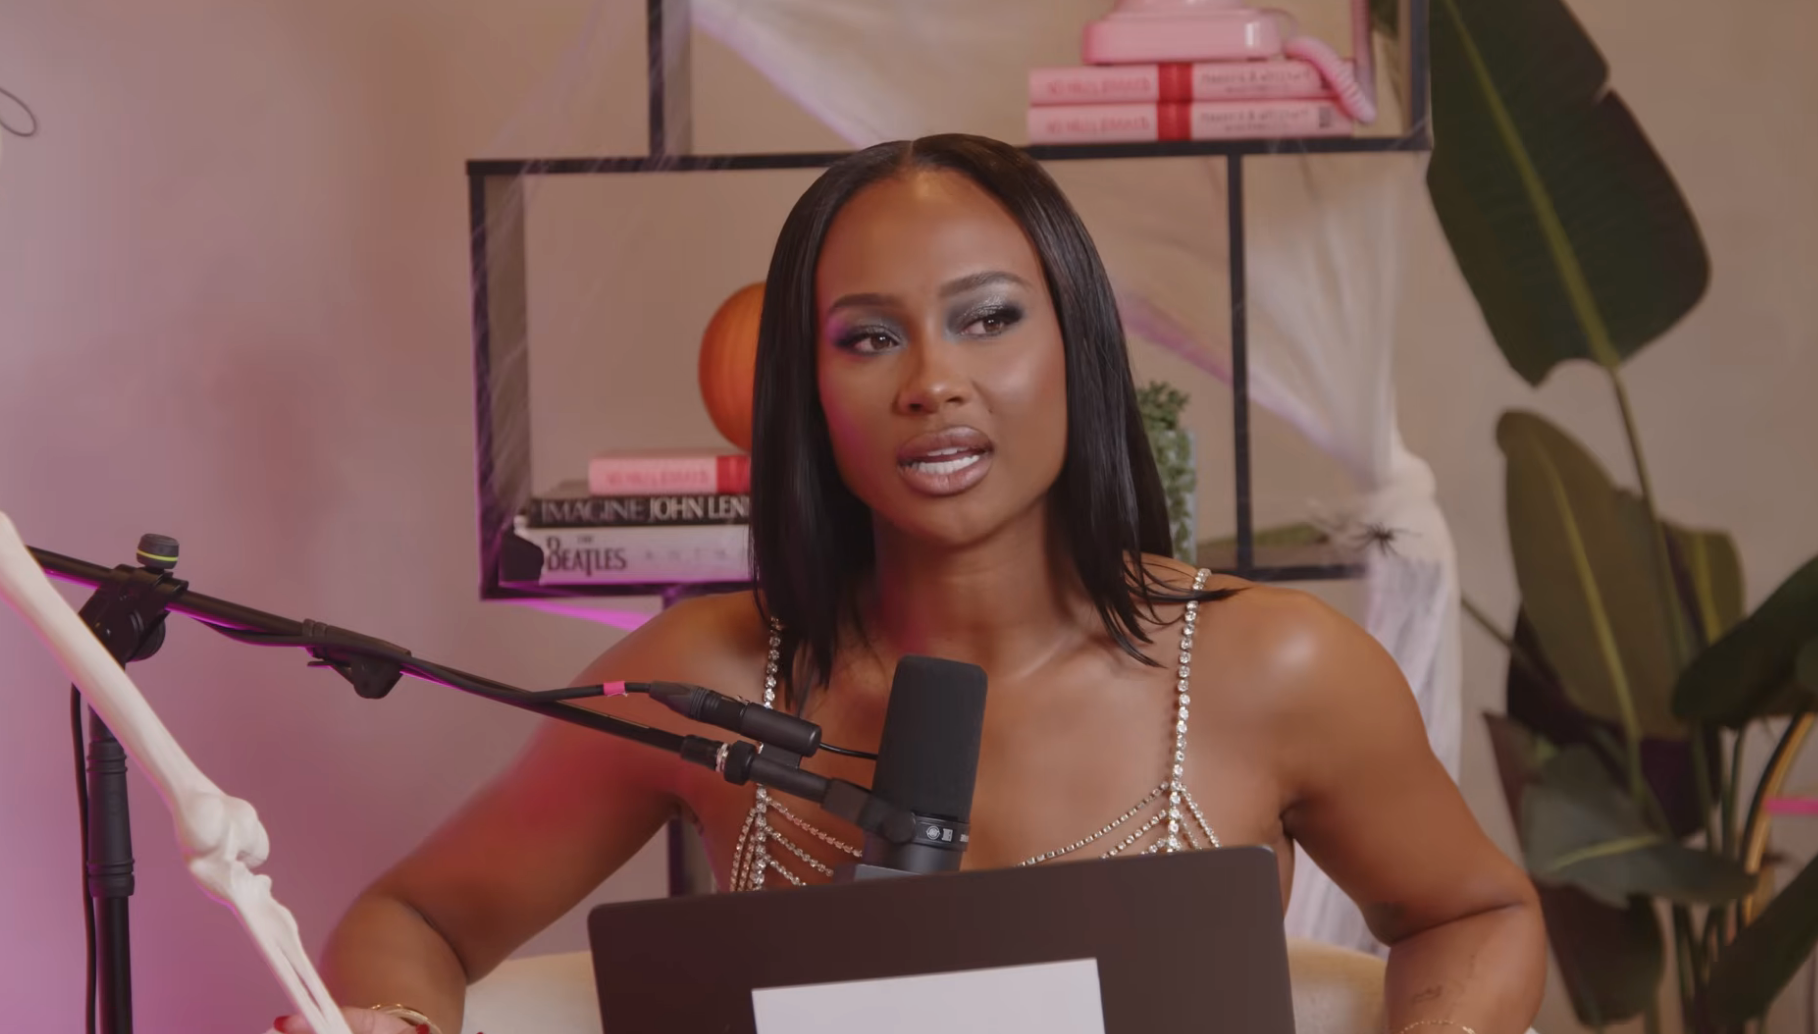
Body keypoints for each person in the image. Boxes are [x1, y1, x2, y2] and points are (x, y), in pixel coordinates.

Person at [281, 133, 1545, 1034]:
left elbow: (1476, 913)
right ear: (807, 390)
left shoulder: (1278, 665)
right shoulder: (701, 674)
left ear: (1078, 347)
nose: (933, 381)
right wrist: (396, 1021)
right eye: (870, 337)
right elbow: (415, 919)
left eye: (989, 318)